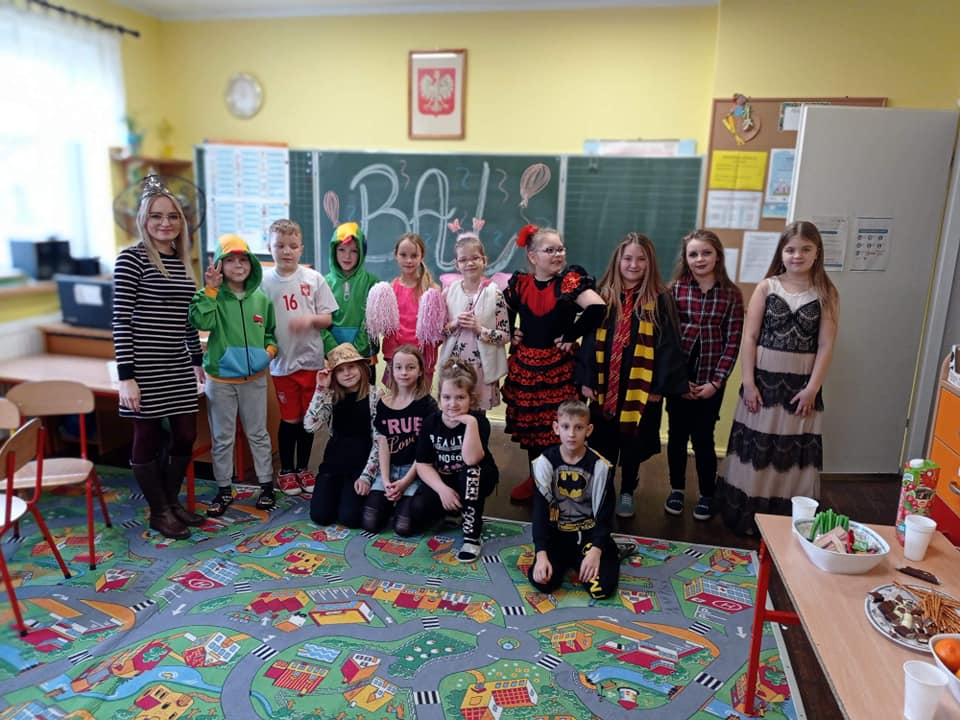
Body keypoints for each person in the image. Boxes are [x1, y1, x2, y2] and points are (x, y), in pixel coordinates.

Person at [716, 220, 839, 535]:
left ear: (817, 252)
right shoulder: (767, 287)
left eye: (805, 249)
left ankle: (785, 521)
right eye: (790, 249)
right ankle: (749, 517)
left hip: (801, 387)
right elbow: (749, 337)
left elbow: (826, 345)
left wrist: (813, 388)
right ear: (781, 253)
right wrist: (748, 382)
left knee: (790, 449)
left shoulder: (826, 292)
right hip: (763, 382)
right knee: (758, 447)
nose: (797, 255)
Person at [113, 176, 205, 540]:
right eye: (156, 215)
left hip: (177, 364)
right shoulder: (131, 259)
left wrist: (196, 360)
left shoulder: (181, 263)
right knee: (147, 437)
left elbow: (186, 319)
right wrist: (126, 377)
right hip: (144, 367)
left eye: (172, 216)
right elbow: (121, 320)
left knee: (185, 435)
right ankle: (160, 511)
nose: (165, 222)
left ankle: (170, 501)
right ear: (143, 220)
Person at [579, 233, 688, 519]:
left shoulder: (659, 299)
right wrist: (588, 379)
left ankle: (627, 489)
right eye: (628, 258)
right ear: (617, 260)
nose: (634, 264)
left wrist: (658, 387)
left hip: (640, 386)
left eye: (641, 259)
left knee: (633, 441)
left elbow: (668, 344)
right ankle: (602, 487)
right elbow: (588, 340)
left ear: (650, 263)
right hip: (605, 381)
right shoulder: (601, 295)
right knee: (602, 439)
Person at [502, 225, 605, 502]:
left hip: (558, 366)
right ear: (533, 256)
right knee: (532, 427)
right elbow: (503, 307)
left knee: (559, 425)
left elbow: (597, 308)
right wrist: (510, 330)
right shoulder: (521, 284)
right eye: (550, 250)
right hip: (527, 365)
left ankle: (562, 479)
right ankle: (537, 478)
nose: (558, 254)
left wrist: (571, 334)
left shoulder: (568, 282)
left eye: (560, 249)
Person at [189, 234, 278, 517]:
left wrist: (269, 353)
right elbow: (201, 321)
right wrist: (210, 290)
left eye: (243, 260)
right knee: (222, 437)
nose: (238, 266)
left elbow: (270, 333)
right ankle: (224, 489)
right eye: (230, 260)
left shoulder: (261, 299)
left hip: (254, 379)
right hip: (220, 380)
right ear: (219, 264)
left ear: (252, 264)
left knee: (258, 434)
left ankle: (266, 486)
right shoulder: (211, 296)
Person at [666, 229, 744, 520]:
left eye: (706, 253)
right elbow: (668, 338)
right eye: (693, 254)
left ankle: (707, 494)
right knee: (676, 436)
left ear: (718, 256)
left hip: (712, 379)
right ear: (685, 259)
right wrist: (678, 380)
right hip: (679, 379)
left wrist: (716, 382)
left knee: (703, 438)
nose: (700, 259)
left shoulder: (731, 294)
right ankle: (676, 489)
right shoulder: (675, 290)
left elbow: (733, 341)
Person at [260, 219, 339, 497]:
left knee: (308, 420)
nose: (286, 251)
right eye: (280, 245)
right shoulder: (263, 282)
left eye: (293, 246)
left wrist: (309, 320)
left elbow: (328, 319)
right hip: (282, 364)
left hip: (312, 362)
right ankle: (286, 470)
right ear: (269, 246)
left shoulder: (313, 279)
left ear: (301, 248)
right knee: (289, 420)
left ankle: (303, 468)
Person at [529, 400, 620, 600]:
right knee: (543, 582)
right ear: (556, 428)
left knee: (600, 589)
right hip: (557, 535)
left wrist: (596, 550)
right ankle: (568, 560)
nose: (571, 434)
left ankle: (610, 551)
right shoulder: (545, 463)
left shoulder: (600, 467)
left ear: (589, 430)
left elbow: (605, 513)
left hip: (588, 535)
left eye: (578, 428)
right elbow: (539, 512)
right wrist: (541, 553)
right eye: (565, 427)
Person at [415, 360, 499, 562]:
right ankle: (453, 511)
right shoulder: (431, 422)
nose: (452, 404)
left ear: (471, 399)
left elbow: (471, 459)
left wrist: (470, 423)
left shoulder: (478, 422)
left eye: (460, 397)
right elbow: (423, 464)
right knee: (417, 512)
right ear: (439, 398)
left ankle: (472, 536)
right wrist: (442, 490)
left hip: (476, 477)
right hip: (446, 479)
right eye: (447, 397)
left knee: (470, 474)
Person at [357, 345, 438, 535]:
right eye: (398, 367)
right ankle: (392, 502)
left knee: (403, 527)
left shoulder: (427, 405)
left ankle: (405, 504)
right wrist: (386, 481)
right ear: (391, 371)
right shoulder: (384, 403)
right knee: (370, 523)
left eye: (410, 367)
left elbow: (425, 452)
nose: (404, 372)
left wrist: (405, 482)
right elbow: (382, 445)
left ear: (420, 371)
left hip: (415, 471)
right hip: (389, 469)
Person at [304, 342, 379, 528]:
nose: (347, 373)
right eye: (340, 370)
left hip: (361, 464)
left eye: (351, 366)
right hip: (334, 463)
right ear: (334, 375)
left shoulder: (376, 395)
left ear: (361, 367)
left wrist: (367, 476)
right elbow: (310, 426)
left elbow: (380, 441)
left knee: (350, 518)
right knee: (320, 516)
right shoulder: (330, 395)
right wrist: (320, 389)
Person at [438, 232, 510, 411]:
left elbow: (505, 336)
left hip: (482, 368)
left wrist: (480, 329)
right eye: (463, 260)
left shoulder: (495, 294)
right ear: (457, 264)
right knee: (454, 411)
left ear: (484, 261)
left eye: (475, 258)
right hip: (455, 366)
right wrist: (454, 323)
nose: (469, 263)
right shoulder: (448, 293)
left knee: (478, 415)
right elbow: (439, 332)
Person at [374, 232, 442, 386]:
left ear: (422, 256)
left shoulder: (432, 290)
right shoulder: (390, 289)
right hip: (396, 360)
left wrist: (423, 353)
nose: (408, 260)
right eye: (403, 255)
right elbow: (386, 329)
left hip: (422, 360)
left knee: (419, 400)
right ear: (396, 255)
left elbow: (437, 332)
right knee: (396, 399)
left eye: (414, 255)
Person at [321, 222, 379, 379]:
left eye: (354, 251)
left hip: (364, 356)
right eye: (341, 250)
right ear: (333, 251)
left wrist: (355, 351)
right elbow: (320, 323)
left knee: (366, 394)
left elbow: (372, 321)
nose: (347, 256)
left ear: (361, 253)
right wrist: (334, 350)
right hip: (333, 358)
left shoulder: (372, 282)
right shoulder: (323, 283)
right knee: (335, 395)